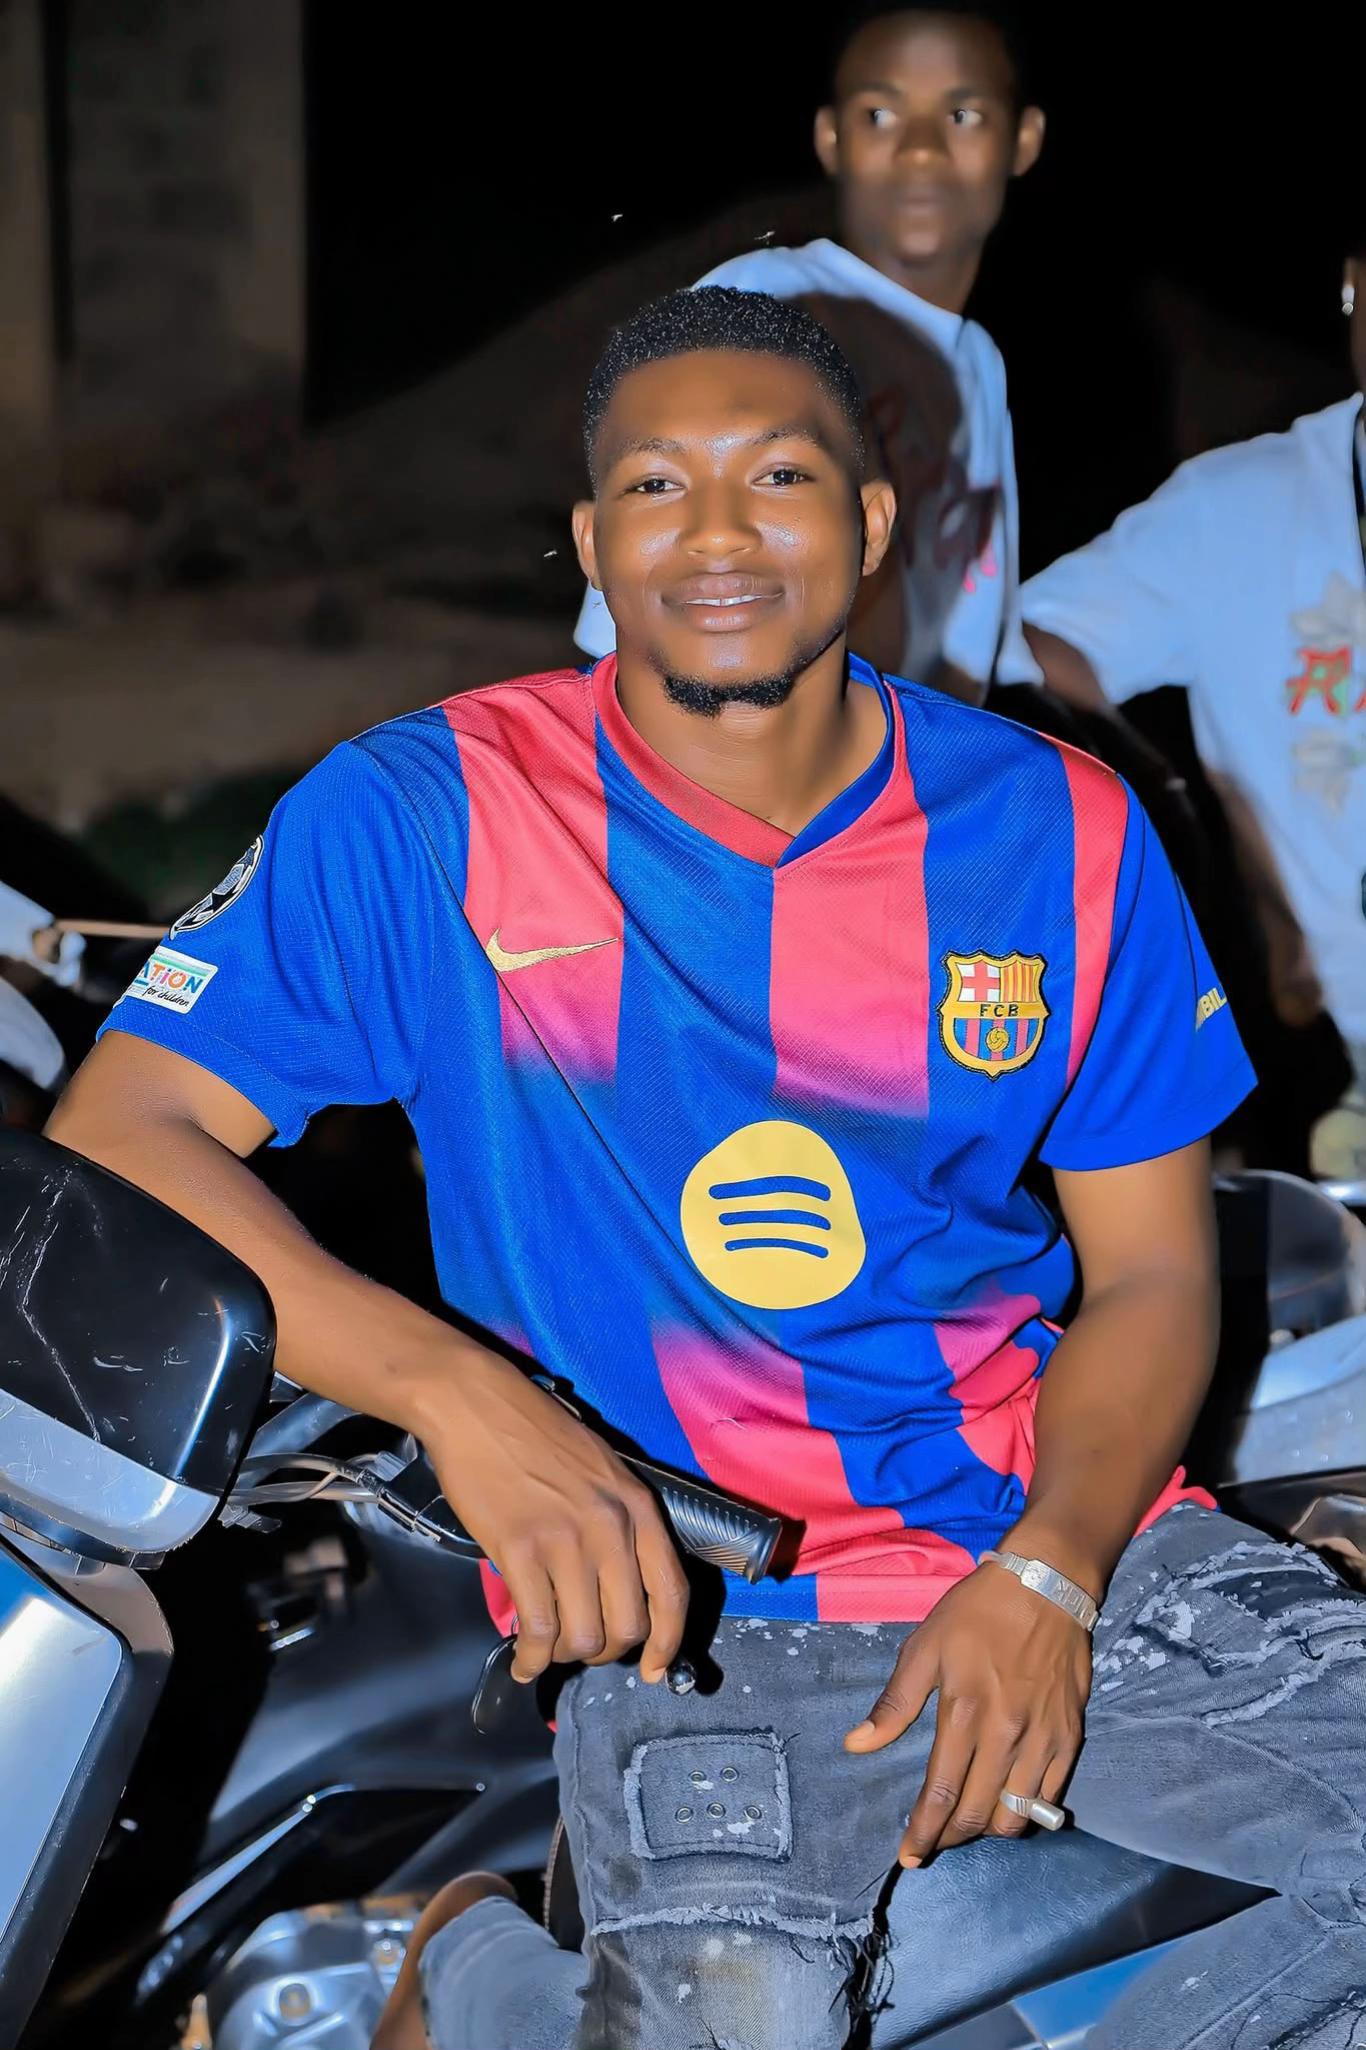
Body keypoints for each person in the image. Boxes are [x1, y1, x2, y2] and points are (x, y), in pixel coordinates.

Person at [47, 289, 1366, 2050]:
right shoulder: (435, 809)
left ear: (873, 522)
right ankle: (472, 1971)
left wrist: (1051, 1570)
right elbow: (122, 1131)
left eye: (778, 478)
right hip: (698, 1601)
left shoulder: (1054, 827)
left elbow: (1149, 1273)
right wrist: (459, 1396)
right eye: (657, 487)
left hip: (1063, 1532)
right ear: (595, 543)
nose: (719, 534)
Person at [575, 2, 1046, 703]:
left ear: (1024, 140)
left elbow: (979, 638)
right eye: (879, 115)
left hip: (908, 754)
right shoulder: (766, 306)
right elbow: (645, 613)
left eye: (962, 115)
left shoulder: (979, 361)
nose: (921, 149)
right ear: (831, 139)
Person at [1023, 232, 1366, 1185]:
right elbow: (1019, 655)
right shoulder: (1240, 508)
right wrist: (1185, 818)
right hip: (1329, 1065)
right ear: (1353, 289)